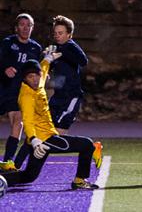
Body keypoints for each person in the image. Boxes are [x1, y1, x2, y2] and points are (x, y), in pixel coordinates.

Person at [0, 47, 102, 190]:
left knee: (29, 176)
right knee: (87, 144)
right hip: (43, 139)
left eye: (36, 75)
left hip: (43, 138)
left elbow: (43, 68)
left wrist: (48, 58)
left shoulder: (39, 80)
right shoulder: (27, 96)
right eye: (30, 77)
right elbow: (28, 121)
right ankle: (79, 180)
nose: (35, 79)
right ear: (24, 78)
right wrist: (35, 141)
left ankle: (1, 178)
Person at [0, 13, 42, 170]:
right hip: (4, 88)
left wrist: (42, 75)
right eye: (22, 25)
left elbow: (36, 69)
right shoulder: (7, 43)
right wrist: (4, 68)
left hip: (19, 92)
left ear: (32, 27)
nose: (25, 28)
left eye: (28, 25)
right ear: (16, 28)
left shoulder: (36, 48)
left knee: (18, 122)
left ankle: (8, 161)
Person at [49, 15, 88, 135]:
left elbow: (83, 61)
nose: (57, 36)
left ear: (69, 34)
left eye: (60, 33)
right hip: (57, 97)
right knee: (45, 129)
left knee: (58, 133)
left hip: (70, 97)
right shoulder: (55, 48)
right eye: (55, 33)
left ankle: (85, 146)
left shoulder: (70, 46)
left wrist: (63, 53)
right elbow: (55, 72)